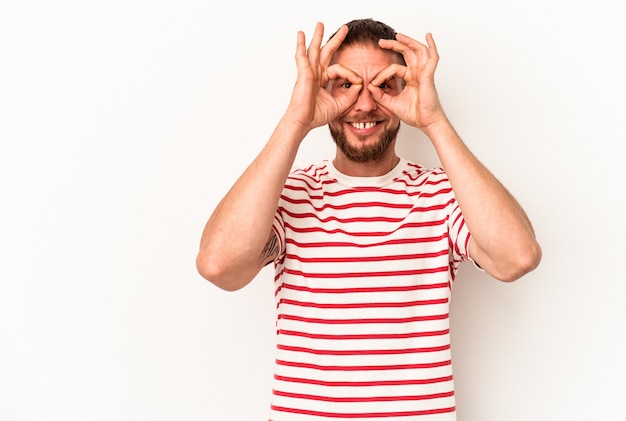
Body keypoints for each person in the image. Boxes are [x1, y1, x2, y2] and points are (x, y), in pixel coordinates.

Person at [196, 18, 541, 420]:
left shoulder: (442, 195)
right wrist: (295, 120)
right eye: (345, 85)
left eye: (382, 85)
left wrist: (435, 121)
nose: (363, 104)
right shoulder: (288, 195)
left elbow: (517, 257)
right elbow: (219, 266)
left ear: (405, 90)